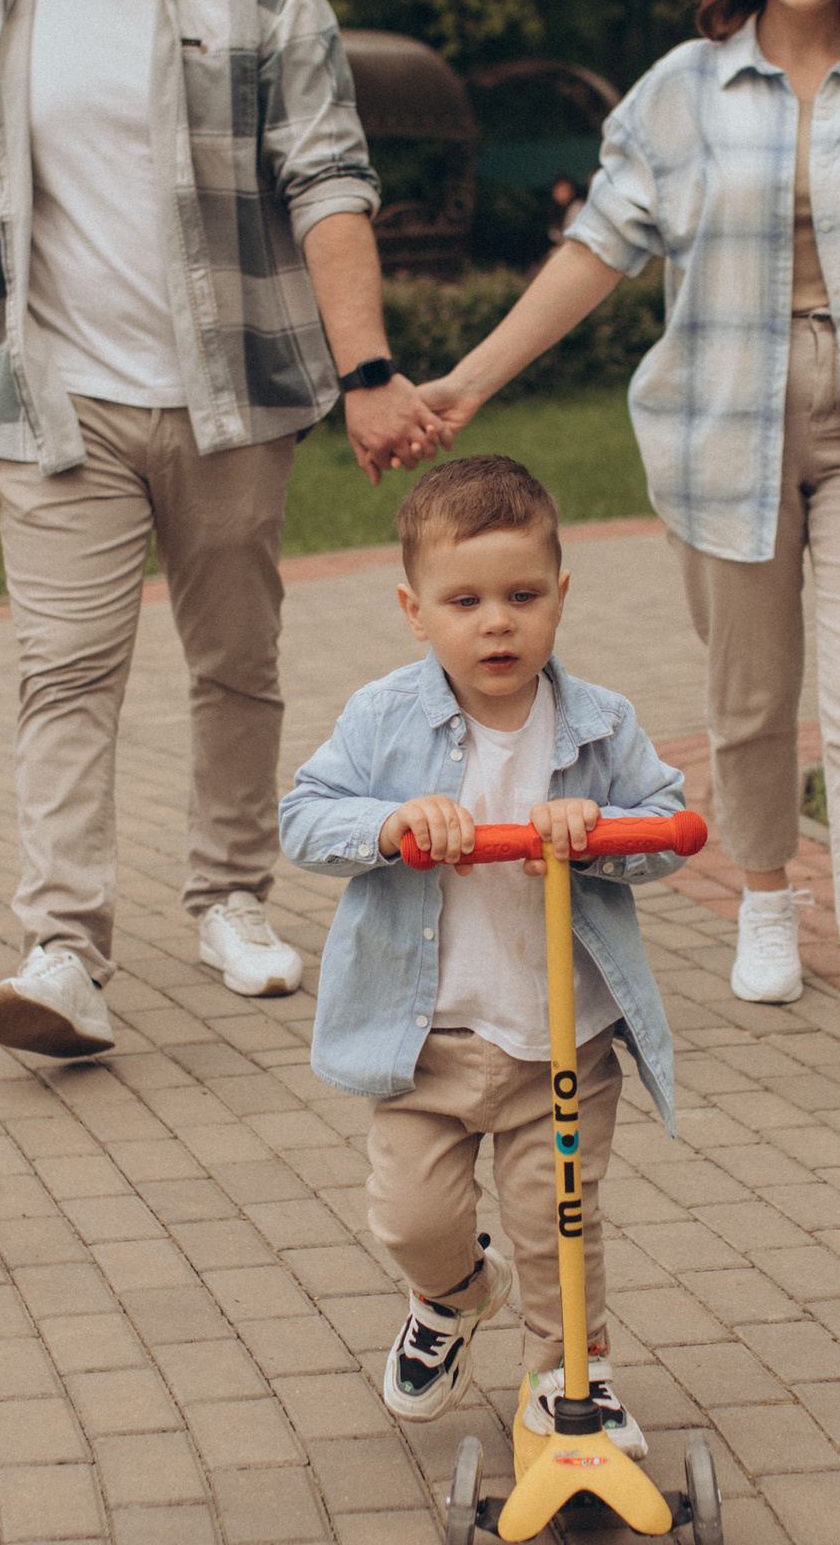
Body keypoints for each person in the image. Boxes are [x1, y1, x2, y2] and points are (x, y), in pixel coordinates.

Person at [416, 0, 840, 1091]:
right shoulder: (682, 90)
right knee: (750, 702)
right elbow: (595, 256)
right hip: (723, 428)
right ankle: (765, 890)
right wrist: (467, 380)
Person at [0, 0, 442, 1061]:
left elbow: (329, 186)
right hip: (55, 399)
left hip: (231, 393)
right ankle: (62, 950)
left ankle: (230, 896)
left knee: (235, 661)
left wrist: (368, 369)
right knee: (65, 668)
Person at [278, 453, 685, 1445]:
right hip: (426, 1042)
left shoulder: (598, 726)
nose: (495, 621)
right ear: (416, 611)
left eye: (521, 595)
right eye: (464, 600)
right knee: (415, 1219)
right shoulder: (384, 718)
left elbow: (668, 821)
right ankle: (453, 1296)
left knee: (559, 1226)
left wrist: (602, 836)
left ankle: (568, 1384)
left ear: (559, 596)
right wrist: (390, 824)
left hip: (563, 1039)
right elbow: (302, 817)